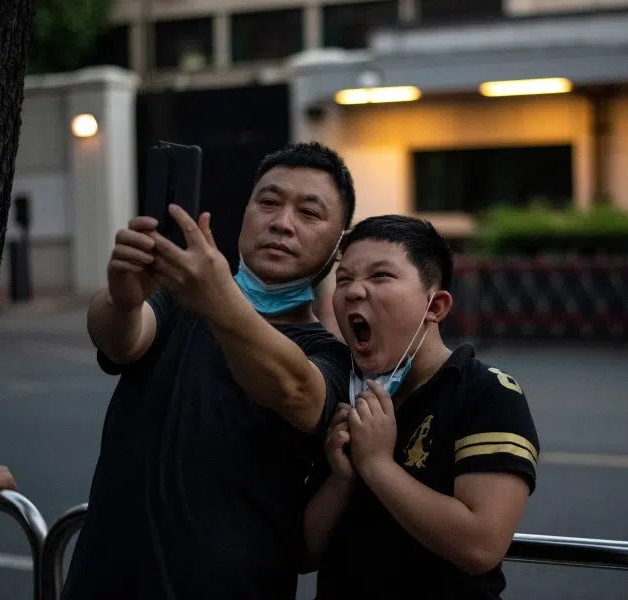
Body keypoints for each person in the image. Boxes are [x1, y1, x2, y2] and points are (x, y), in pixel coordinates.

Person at [62, 142, 355, 600]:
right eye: (269, 202)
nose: (282, 223)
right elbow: (121, 339)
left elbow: (295, 390)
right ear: (245, 212)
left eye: (309, 213)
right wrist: (123, 297)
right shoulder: (182, 302)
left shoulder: (332, 357)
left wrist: (219, 296)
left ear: (340, 246)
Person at [304, 215, 540, 600]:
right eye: (344, 279)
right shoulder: (340, 392)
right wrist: (342, 478)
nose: (354, 291)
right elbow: (303, 554)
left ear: (436, 306)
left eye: (380, 276)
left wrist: (377, 465)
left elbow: (480, 546)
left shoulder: (487, 393)